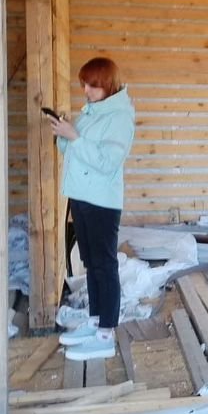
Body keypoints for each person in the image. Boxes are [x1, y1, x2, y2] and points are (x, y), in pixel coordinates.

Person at [46, 57, 135, 361]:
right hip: (82, 197)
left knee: (104, 266)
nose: (86, 90)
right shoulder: (91, 112)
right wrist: (63, 134)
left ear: (108, 84)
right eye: (84, 84)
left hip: (102, 202)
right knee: (91, 263)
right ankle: (96, 322)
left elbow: (107, 161)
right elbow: (74, 151)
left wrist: (74, 136)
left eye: (92, 85)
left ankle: (106, 336)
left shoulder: (119, 117)